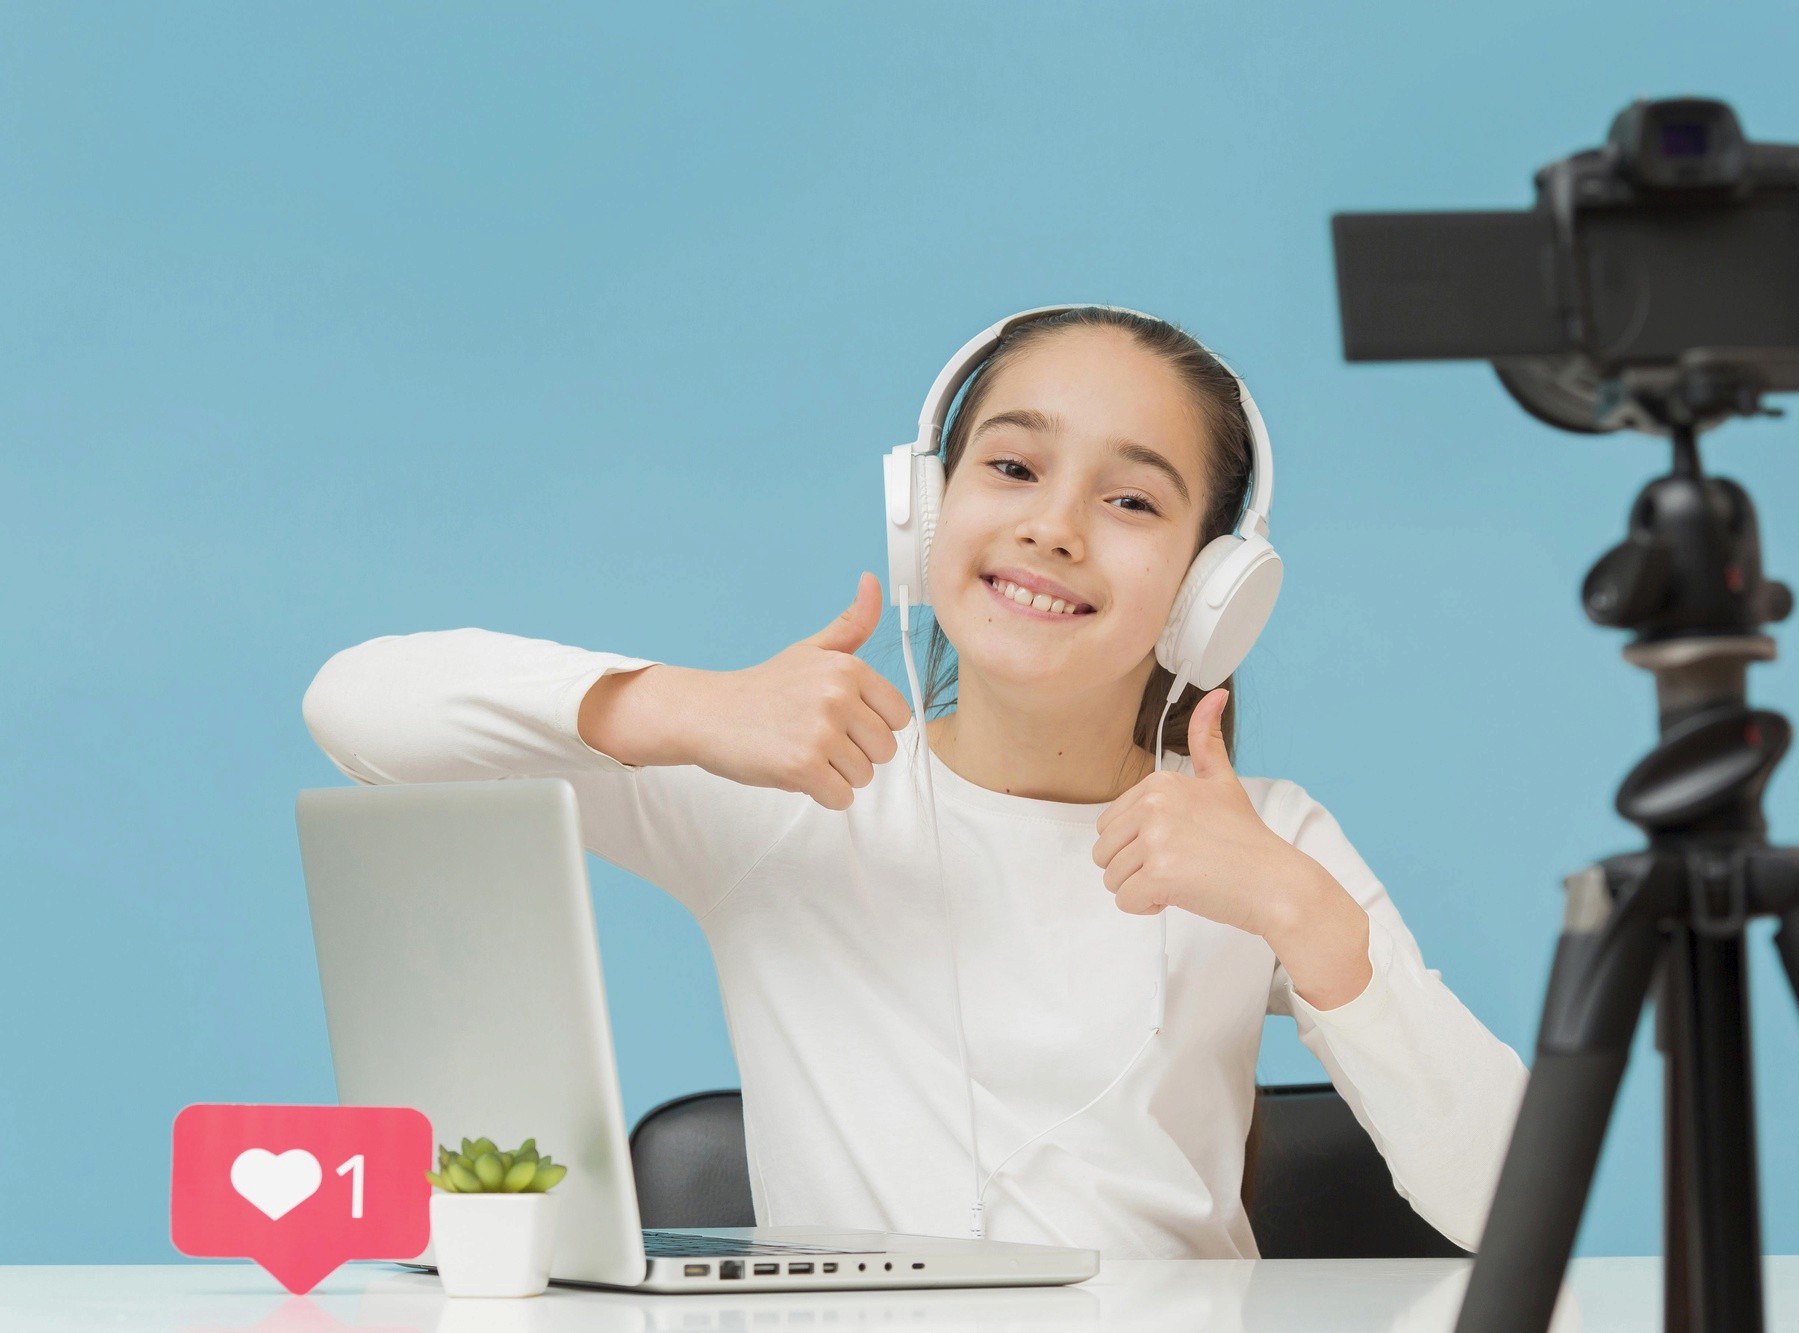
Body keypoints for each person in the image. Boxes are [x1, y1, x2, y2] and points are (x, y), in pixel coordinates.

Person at [302, 306, 1528, 1261]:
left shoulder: (1263, 838)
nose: (1054, 527)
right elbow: (357, 710)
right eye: (1011, 468)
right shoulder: (781, 790)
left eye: (1131, 499)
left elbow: (1519, 1201)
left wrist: (1304, 915)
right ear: (923, 514)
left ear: (1215, 592)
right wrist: (681, 705)